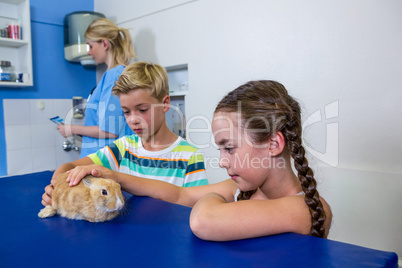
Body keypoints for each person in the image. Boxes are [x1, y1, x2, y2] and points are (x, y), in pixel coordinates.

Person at [43, 80, 332, 241]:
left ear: (272, 144)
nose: (221, 161)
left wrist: (217, 197)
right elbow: (180, 194)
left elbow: (203, 220)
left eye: (228, 148)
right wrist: (113, 175)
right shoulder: (244, 191)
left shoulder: (307, 208)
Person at [42, 61, 208, 202]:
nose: (132, 120)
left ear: (165, 104)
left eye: (142, 109)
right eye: (126, 112)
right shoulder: (123, 148)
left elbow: (197, 205)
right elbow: (68, 166)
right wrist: (55, 186)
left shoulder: (189, 156)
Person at [57, 18, 136, 158]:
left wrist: (72, 129)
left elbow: (110, 131)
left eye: (90, 46)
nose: (89, 52)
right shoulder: (111, 75)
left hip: (105, 160)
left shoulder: (115, 76)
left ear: (104, 43)